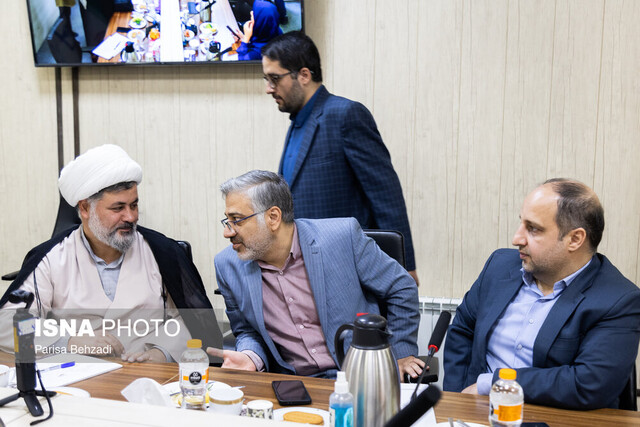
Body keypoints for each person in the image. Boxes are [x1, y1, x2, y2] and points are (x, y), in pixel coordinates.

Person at [0, 144, 220, 363]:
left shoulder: (162, 253)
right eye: (118, 208)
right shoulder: (51, 258)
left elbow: (191, 320)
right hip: (75, 371)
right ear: (85, 208)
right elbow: (8, 323)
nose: (130, 217)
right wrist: (68, 341)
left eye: (134, 205)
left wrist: (161, 353)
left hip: (147, 375)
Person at [443, 178, 640, 409]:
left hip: (552, 417)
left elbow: (588, 383)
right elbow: (463, 331)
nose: (516, 239)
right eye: (521, 223)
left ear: (575, 239)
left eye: (533, 229)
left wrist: (493, 384)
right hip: (477, 412)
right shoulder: (498, 267)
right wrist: (456, 399)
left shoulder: (619, 300)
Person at [208, 170, 423, 380]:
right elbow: (247, 330)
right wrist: (250, 357)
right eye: (227, 221)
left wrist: (401, 353)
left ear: (273, 217)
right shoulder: (228, 265)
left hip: (361, 376)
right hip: (293, 383)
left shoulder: (342, 237)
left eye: (237, 220)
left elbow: (402, 287)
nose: (228, 232)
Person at [260, 32, 419, 284]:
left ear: (304, 75)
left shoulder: (345, 115)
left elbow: (386, 196)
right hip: (308, 271)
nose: (268, 88)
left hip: (347, 270)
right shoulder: (296, 123)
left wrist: (404, 266)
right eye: (266, 79)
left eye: (275, 78)